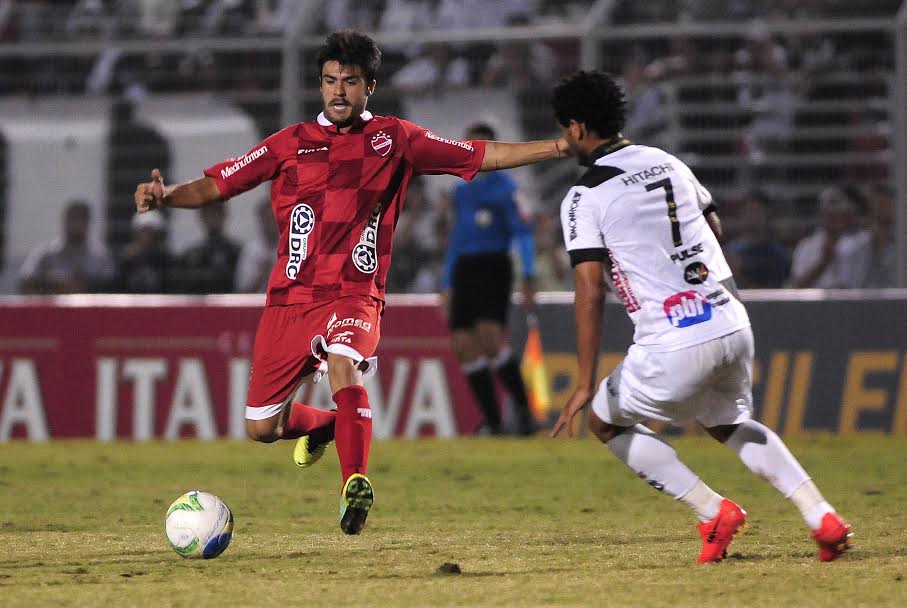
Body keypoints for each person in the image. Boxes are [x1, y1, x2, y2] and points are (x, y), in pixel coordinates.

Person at [134, 30, 568, 535]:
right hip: (290, 300)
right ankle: (325, 424)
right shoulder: (289, 143)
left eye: (350, 81)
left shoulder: (396, 139)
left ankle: (354, 483)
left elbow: (480, 154)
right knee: (262, 426)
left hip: (354, 292)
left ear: (370, 87)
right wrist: (167, 196)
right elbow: (219, 184)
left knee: (344, 364)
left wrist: (558, 146)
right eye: (329, 81)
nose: (338, 91)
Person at [548, 70, 851, 564]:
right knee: (729, 421)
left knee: (604, 420)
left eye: (565, 129)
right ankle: (823, 517)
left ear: (577, 127)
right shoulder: (666, 161)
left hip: (673, 339)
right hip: (730, 321)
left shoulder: (584, 196)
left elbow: (589, 289)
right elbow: (713, 223)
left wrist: (583, 381)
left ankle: (713, 511)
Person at [440, 122, 537, 436]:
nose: (475, 152)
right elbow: (457, 238)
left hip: (494, 265)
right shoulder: (461, 189)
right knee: (463, 344)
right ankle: (494, 422)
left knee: (490, 339)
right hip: (465, 268)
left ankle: (523, 412)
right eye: (470, 145)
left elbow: (523, 234)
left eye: (480, 146)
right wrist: (447, 282)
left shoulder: (507, 187)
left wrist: (529, 275)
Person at [18, 200, 115, 294]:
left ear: (88, 223)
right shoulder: (45, 253)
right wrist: (53, 282)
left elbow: (111, 287)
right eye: (73, 218)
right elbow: (24, 281)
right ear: (64, 221)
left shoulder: (100, 256)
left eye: (81, 218)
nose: (76, 224)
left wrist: (83, 285)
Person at [788, 187, 865, 288]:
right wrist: (824, 260)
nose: (835, 220)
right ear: (821, 215)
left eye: (839, 214)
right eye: (830, 215)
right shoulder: (806, 246)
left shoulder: (858, 244)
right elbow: (796, 286)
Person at [174, 200, 241, 294]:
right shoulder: (190, 254)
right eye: (208, 215)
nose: (212, 220)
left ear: (224, 216)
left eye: (216, 214)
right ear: (202, 218)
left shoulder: (237, 252)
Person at [115, 209, 173, 294]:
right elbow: (116, 289)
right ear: (136, 235)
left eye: (151, 234)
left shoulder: (166, 261)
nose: (147, 238)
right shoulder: (125, 262)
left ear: (159, 237)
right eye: (143, 232)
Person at [235, 199, 279, 293]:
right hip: (257, 301)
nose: (270, 225)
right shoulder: (250, 251)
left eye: (272, 219)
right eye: (265, 220)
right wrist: (260, 275)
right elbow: (241, 293)